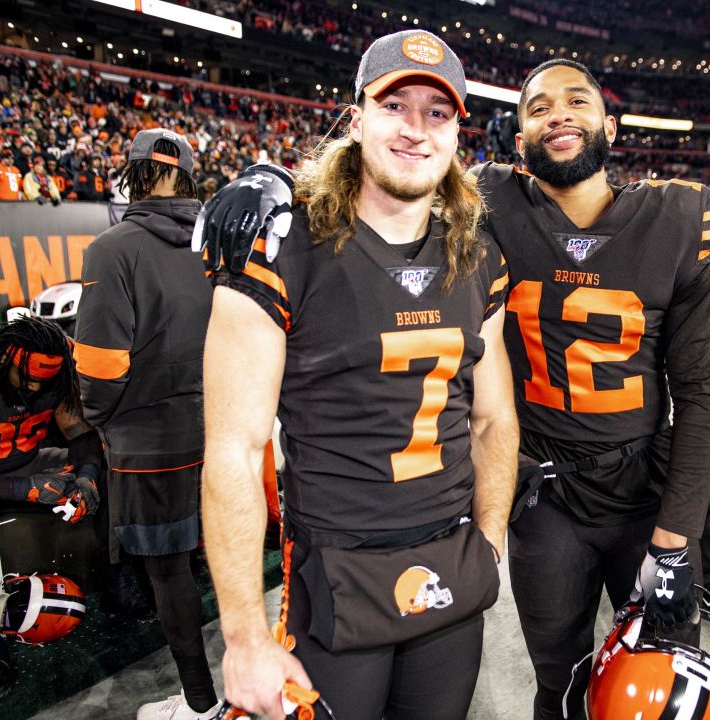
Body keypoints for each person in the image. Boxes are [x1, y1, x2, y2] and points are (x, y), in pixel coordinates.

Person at [199, 30, 517, 720]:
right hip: (334, 570)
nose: (415, 129)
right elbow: (232, 447)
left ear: (459, 131)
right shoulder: (283, 248)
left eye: (437, 113)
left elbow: (494, 417)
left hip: (450, 565)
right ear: (357, 116)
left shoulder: (479, 258)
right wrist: (245, 637)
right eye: (395, 104)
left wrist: (490, 541)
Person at [472, 59, 710, 720]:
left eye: (576, 101)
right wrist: (277, 183)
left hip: (645, 495)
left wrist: (675, 538)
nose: (558, 113)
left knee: (658, 688)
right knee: (558, 682)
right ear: (519, 133)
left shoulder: (676, 217)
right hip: (548, 496)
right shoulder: (489, 203)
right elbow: (391, 170)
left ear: (607, 125)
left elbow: (702, 394)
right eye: (539, 107)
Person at [72, 129, 221, 719]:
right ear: (188, 175)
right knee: (219, 560)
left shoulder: (113, 247)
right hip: (223, 428)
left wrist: (102, 419)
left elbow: (101, 367)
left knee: (169, 575)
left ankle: (202, 704)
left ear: (131, 173)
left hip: (150, 440)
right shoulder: (219, 239)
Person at [0, 318, 103, 699]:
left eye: (44, 380)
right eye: (27, 378)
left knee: (110, 475)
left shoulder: (61, 361)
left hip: (30, 461)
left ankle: (117, 582)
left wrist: (86, 476)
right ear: (4, 359)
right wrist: (23, 489)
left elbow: (78, 430)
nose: (35, 388)